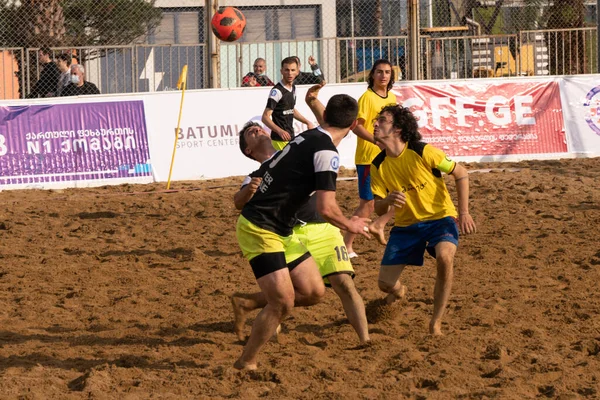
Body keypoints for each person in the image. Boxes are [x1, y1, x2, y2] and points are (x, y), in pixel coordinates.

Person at [234, 85, 371, 370]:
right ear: (354, 125)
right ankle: (246, 361)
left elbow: (330, 123)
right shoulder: (325, 152)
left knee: (315, 292)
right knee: (283, 303)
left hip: (283, 228)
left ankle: (248, 303)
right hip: (259, 226)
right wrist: (352, 224)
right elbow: (326, 208)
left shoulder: (312, 135)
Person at [366, 105, 476, 336]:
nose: (375, 124)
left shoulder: (423, 151)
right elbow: (377, 208)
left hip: (440, 219)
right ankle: (399, 292)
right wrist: (387, 200)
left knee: (445, 258)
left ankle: (435, 322)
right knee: (385, 284)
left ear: (397, 129)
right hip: (406, 227)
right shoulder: (377, 165)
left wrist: (463, 213)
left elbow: (461, 172)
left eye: (382, 120)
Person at [344, 59, 397, 259]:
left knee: (402, 196)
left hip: (388, 157)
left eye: (387, 72)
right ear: (372, 75)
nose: (384, 76)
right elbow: (356, 126)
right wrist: (376, 141)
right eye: (380, 72)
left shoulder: (392, 97)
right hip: (368, 158)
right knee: (367, 204)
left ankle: (379, 224)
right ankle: (346, 245)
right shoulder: (367, 98)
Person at [261, 56, 314, 151]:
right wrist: (279, 131)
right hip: (279, 140)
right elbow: (265, 117)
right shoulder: (277, 91)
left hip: (289, 136)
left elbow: (291, 109)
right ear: (281, 71)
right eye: (286, 70)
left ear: (297, 71)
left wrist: (307, 122)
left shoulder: (293, 88)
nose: (290, 73)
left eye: (293, 70)